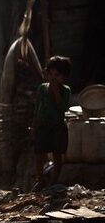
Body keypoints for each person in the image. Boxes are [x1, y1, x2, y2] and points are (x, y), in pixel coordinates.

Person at [31, 56, 72, 191]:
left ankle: (54, 181)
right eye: (50, 74)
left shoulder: (65, 90)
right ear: (46, 74)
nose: (53, 78)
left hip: (57, 127)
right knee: (38, 155)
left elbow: (63, 108)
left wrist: (56, 93)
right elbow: (38, 107)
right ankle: (40, 180)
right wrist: (35, 124)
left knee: (57, 155)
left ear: (64, 77)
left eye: (57, 75)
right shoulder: (42, 88)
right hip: (42, 125)